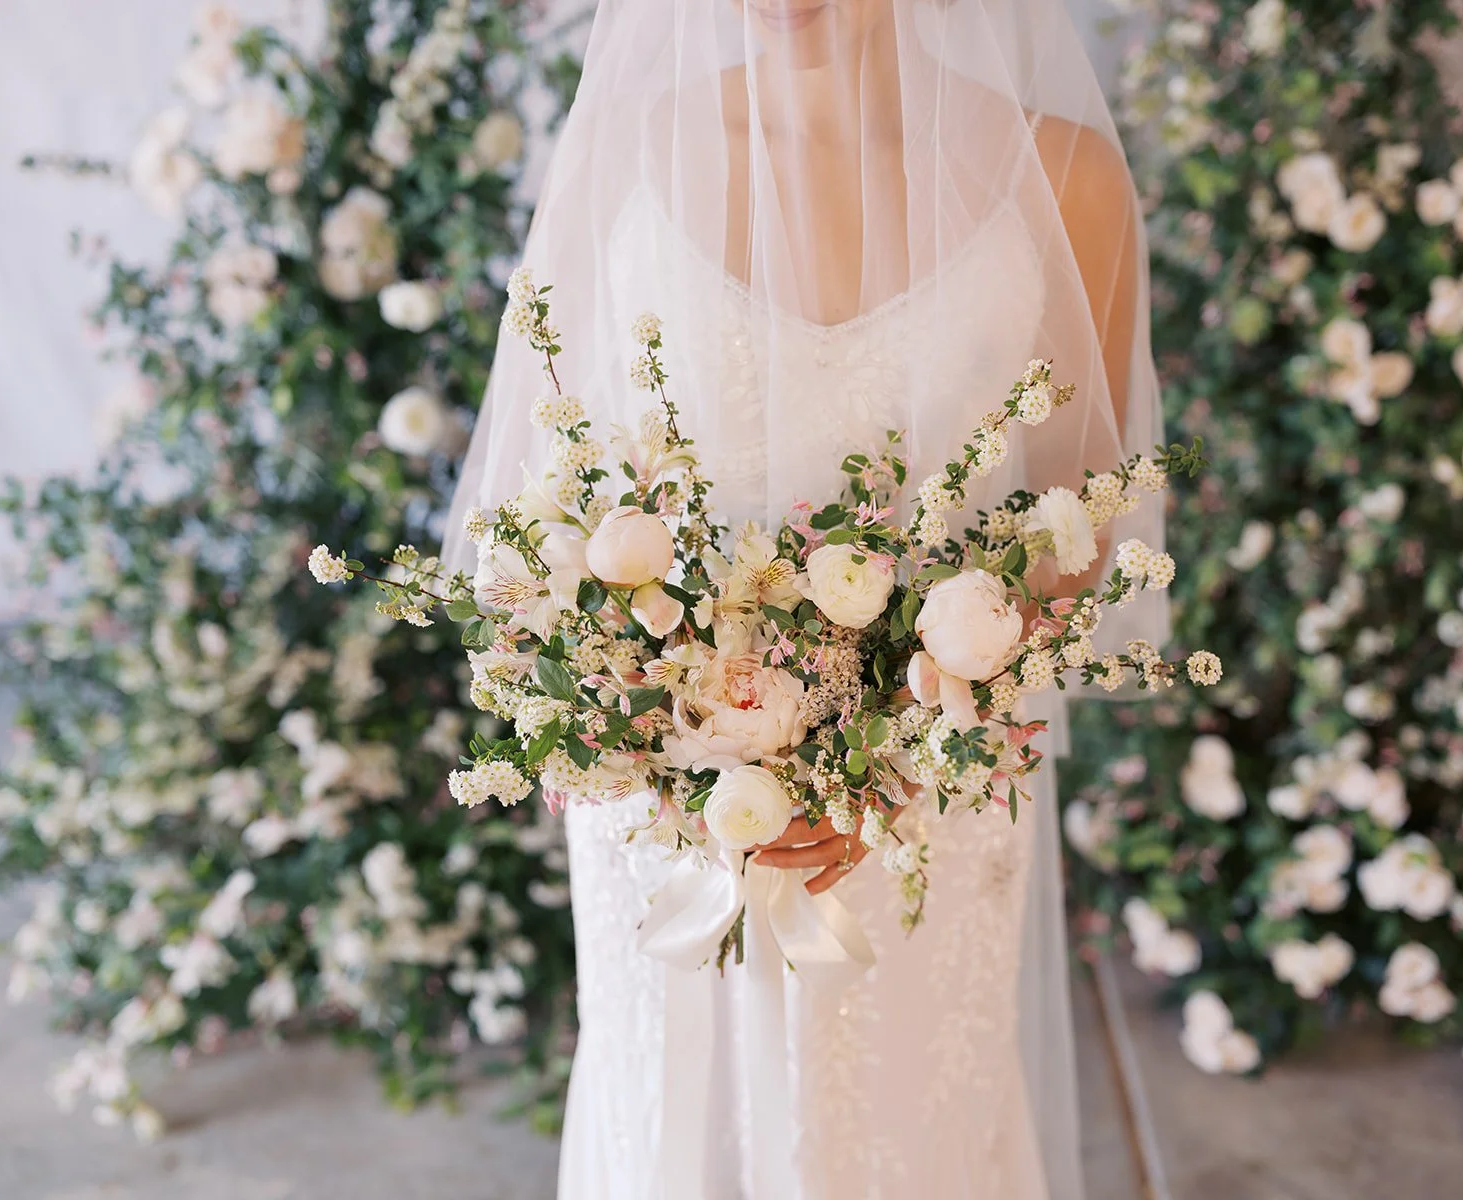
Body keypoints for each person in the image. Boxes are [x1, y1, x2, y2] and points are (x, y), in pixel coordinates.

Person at [446, 1, 1167, 1195]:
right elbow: (536, 514)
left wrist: (883, 758)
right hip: (670, 786)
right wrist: (676, 734)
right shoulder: (623, 152)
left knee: (907, 1130)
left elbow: (1078, 518)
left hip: (934, 784)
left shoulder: (1066, 175)